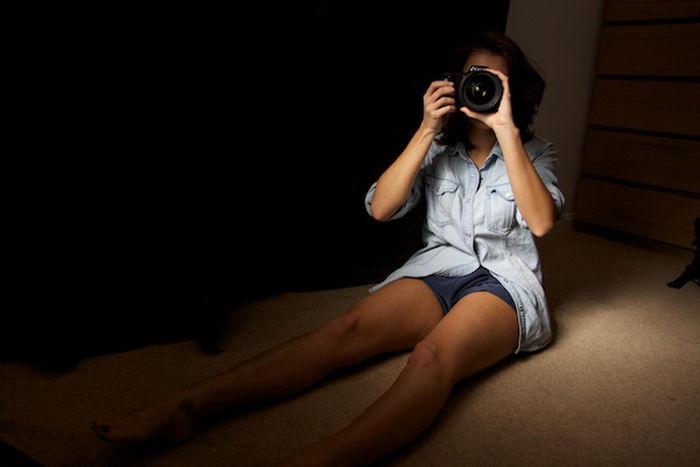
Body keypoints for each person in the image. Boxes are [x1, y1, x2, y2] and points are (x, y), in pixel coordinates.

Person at [91, 30, 564, 465]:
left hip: (503, 281)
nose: (478, 88)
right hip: (440, 268)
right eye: (470, 78)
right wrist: (425, 130)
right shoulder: (438, 148)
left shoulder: (535, 151)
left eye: (491, 79)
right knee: (347, 327)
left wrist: (505, 130)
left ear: (511, 86)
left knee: (432, 357)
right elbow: (380, 209)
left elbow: (541, 222)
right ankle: (185, 406)